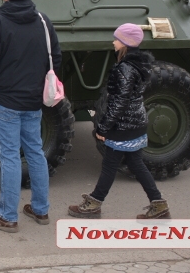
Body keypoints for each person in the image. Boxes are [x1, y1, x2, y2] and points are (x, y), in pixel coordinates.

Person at [0, 0, 60, 232]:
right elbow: (54, 58)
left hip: (6, 100)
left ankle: (8, 216)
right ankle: (40, 209)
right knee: (35, 152)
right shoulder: (43, 21)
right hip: (34, 101)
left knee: (10, 157)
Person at [68, 23, 170, 220]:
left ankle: (94, 204)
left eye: (117, 39)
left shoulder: (123, 69)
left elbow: (118, 102)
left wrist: (103, 127)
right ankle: (159, 205)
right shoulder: (140, 66)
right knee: (136, 163)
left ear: (125, 43)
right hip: (136, 122)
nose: (113, 42)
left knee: (110, 165)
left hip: (122, 126)